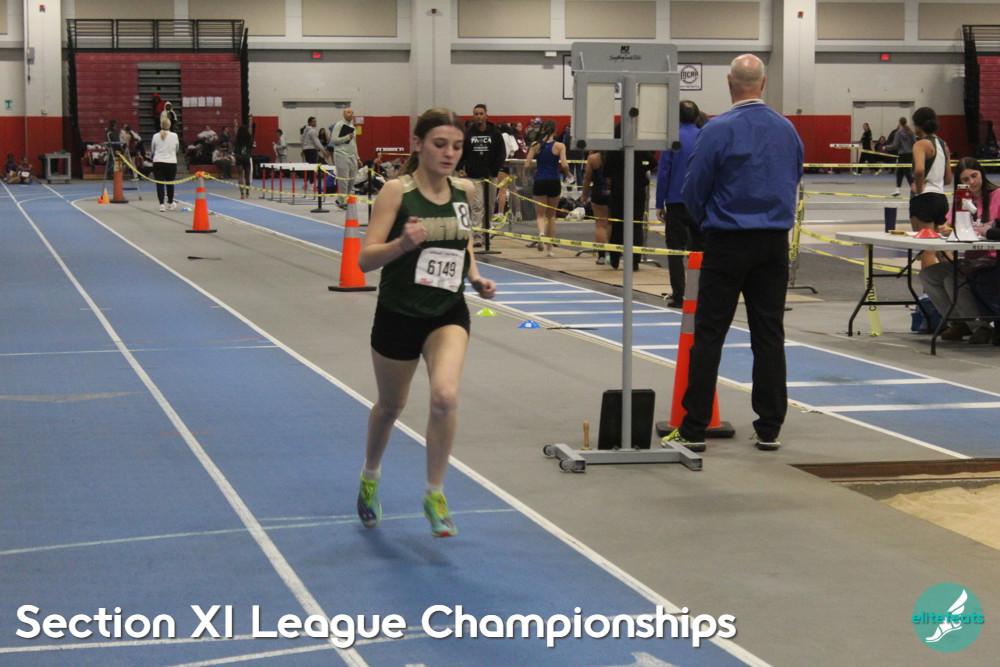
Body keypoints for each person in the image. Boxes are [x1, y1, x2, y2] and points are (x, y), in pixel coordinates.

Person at [354, 108, 496, 538]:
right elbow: (364, 260)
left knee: (445, 397)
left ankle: (435, 494)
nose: (450, 153)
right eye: (440, 144)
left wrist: (474, 276)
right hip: (399, 314)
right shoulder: (396, 192)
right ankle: (370, 476)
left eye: (457, 146)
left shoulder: (465, 190)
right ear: (418, 144)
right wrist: (401, 244)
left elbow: (463, 241)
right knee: (390, 407)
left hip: (447, 312)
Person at [663, 53, 804, 453]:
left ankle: (693, 428)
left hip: (726, 242)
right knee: (769, 335)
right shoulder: (787, 130)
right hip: (772, 244)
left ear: (729, 82)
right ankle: (770, 428)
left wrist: (709, 220)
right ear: (764, 82)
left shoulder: (717, 129)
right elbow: (794, 176)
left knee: (709, 335)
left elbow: (693, 188)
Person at [920, 157, 999, 344]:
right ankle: (958, 321)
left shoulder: (997, 195)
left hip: (992, 258)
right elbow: (948, 224)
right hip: (970, 258)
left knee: (954, 280)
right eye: (965, 179)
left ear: (981, 174)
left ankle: (980, 326)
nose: (971, 182)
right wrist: (946, 228)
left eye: (974, 176)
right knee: (928, 275)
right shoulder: (962, 198)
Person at [656, 100, 704, 307]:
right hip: (699, 203)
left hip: (676, 202)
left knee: (675, 251)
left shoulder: (672, 139)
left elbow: (664, 172)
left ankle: (679, 296)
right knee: (700, 251)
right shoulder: (705, 136)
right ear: (696, 116)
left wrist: (659, 202)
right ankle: (698, 294)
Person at [457, 104, 506, 246]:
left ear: (486, 115)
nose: (479, 116)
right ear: (473, 116)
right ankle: (477, 236)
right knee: (477, 206)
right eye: (476, 114)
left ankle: (486, 233)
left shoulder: (495, 133)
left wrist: (494, 170)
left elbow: (501, 153)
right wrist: (460, 167)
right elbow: (461, 152)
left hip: (491, 176)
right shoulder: (468, 134)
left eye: (481, 113)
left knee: (489, 206)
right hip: (474, 176)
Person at [909, 106, 952, 269]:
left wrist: (919, 187)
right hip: (941, 199)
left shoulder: (920, 145)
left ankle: (928, 285)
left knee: (927, 248)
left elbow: (919, 170)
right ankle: (957, 281)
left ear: (917, 125)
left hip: (924, 199)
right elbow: (947, 179)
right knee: (941, 249)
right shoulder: (943, 145)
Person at [524, 119, 569, 256]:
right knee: (552, 216)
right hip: (554, 180)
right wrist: (568, 174)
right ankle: (549, 249)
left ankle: (541, 234)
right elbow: (565, 164)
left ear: (542, 129)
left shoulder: (535, 145)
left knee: (540, 215)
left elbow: (527, 164)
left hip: (540, 180)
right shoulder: (560, 146)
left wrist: (532, 172)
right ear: (555, 131)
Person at [581, 151, 611, 264]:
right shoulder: (616, 155)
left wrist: (584, 194)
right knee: (611, 223)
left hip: (598, 193)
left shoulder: (593, 158)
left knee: (600, 225)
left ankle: (601, 256)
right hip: (614, 193)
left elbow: (587, 178)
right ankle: (613, 254)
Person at [330, 107, 360, 209]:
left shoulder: (352, 127)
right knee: (344, 180)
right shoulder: (339, 125)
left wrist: (357, 157)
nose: (350, 114)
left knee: (352, 179)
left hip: (352, 155)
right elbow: (334, 140)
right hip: (341, 154)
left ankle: (341, 200)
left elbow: (354, 143)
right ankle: (343, 201)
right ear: (344, 114)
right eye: (348, 112)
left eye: (352, 112)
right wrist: (347, 137)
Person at [150, 117, 180, 212]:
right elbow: (177, 149)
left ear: (161, 125)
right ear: (170, 125)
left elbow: (152, 149)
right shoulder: (174, 136)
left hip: (158, 162)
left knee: (160, 184)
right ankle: (170, 203)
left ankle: (161, 204)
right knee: (170, 183)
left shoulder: (155, 136)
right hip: (171, 162)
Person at [887, 116, 915, 197]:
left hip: (902, 154)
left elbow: (895, 145)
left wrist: (886, 147)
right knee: (899, 172)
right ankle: (897, 190)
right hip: (910, 154)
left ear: (899, 123)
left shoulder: (898, 132)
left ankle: (914, 189)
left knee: (907, 173)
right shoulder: (910, 131)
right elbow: (914, 142)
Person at [234, 124, 254, 199]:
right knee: (247, 176)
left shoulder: (237, 138)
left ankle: (242, 193)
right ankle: (247, 193)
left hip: (239, 158)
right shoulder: (249, 138)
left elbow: (235, 149)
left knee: (240, 176)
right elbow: (252, 146)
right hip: (246, 158)